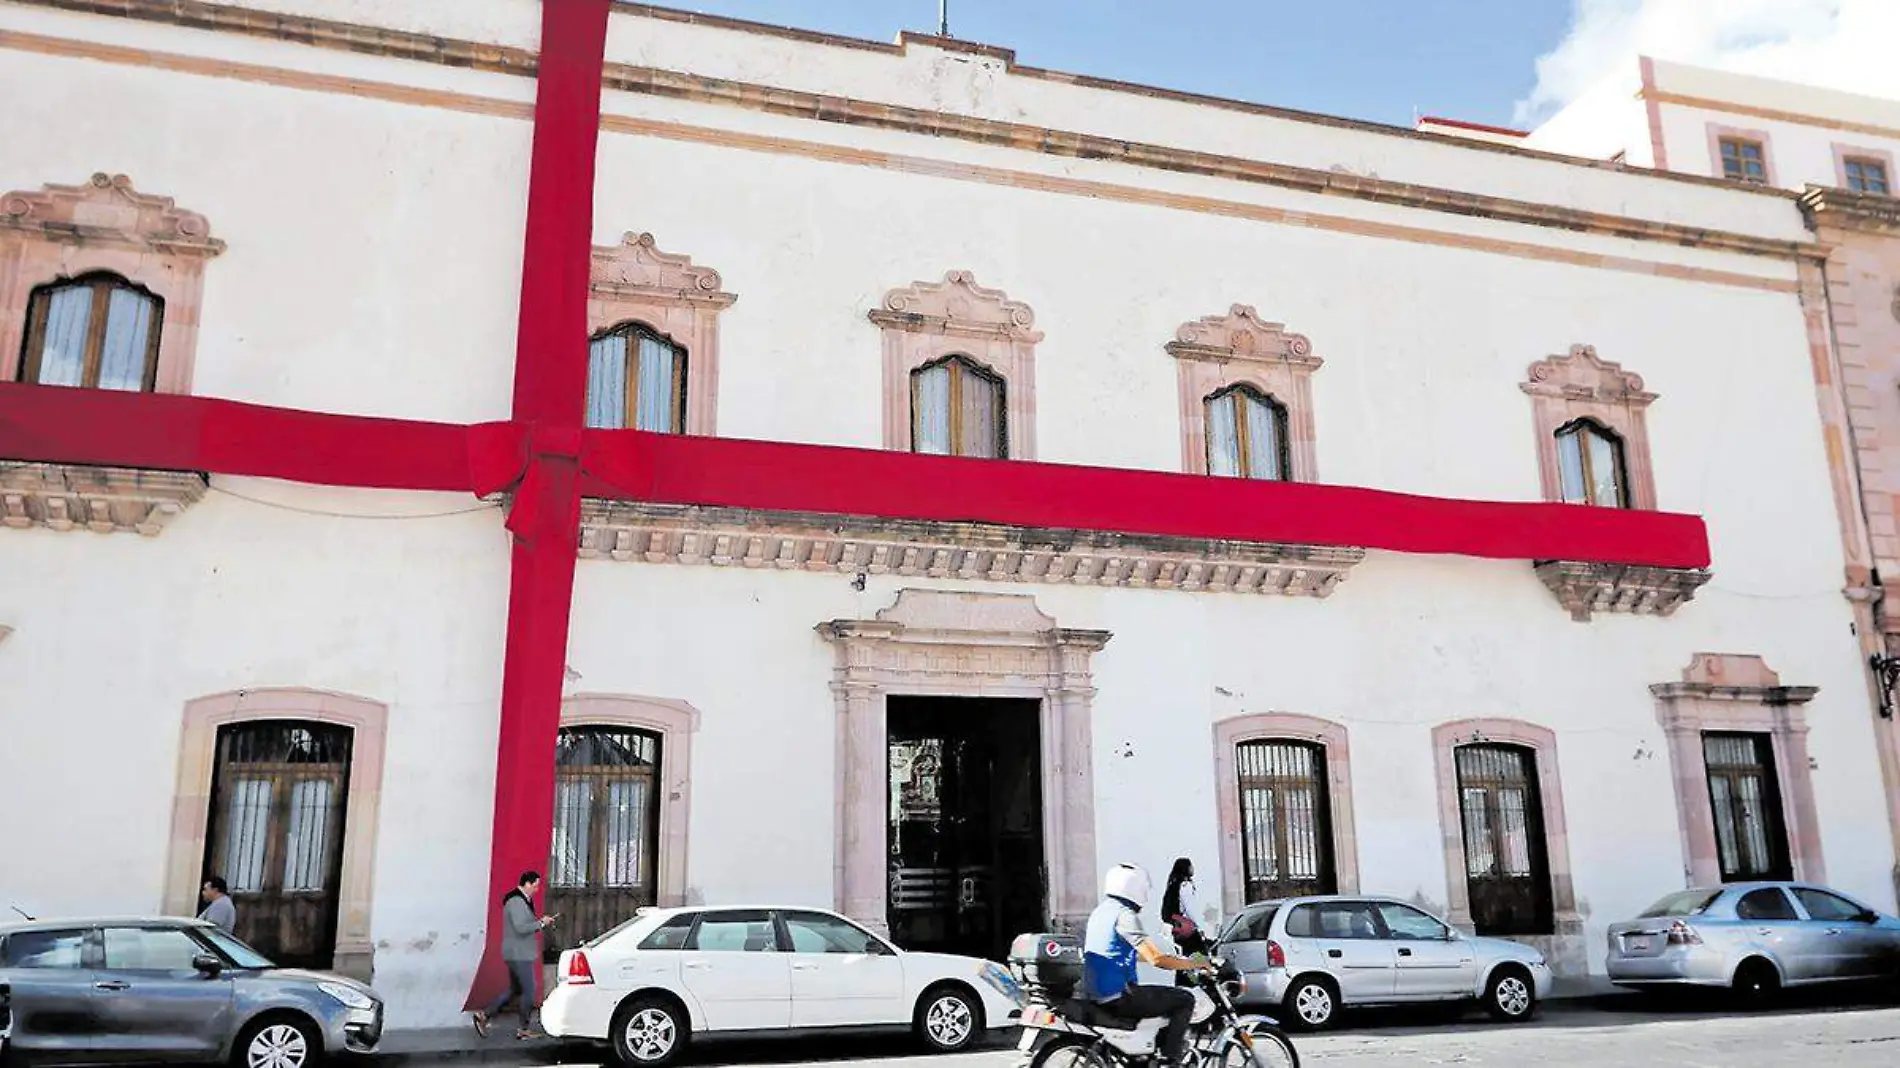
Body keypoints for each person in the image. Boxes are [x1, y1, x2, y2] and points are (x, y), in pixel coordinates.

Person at [1081, 863, 1211, 1068]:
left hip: (1097, 992)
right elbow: (1156, 959)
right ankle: (1171, 1060)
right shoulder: (1125, 915)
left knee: (1161, 999)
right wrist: (1194, 963)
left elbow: (1129, 952)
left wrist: (1169, 957)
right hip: (1118, 995)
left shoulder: (1101, 912)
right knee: (1184, 998)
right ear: (1134, 888)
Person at [473, 871, 557, 1040]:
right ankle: (523, 1028)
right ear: (526, 883)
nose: (537, 889)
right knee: (529, 991)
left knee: (515, 990)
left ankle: (484, 1015)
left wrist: (540, 922)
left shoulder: (520, 900)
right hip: (519, 953)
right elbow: (520, 927)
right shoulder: (517, 901)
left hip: (516, 952)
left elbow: (523, 924)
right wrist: (541, 923)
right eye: (535, 885)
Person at [1160, 858, 1208, 985]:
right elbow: (1190, 909)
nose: (1193, 869)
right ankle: (1194, 983)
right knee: (1199, 956)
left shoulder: (1173, 884)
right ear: (1186, 868)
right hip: (1187, 929)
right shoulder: (1185, 886)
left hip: (1178, 929)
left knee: (1185, 957)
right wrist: (1200, 927)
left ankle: (1183, 985)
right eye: (1191, 866)